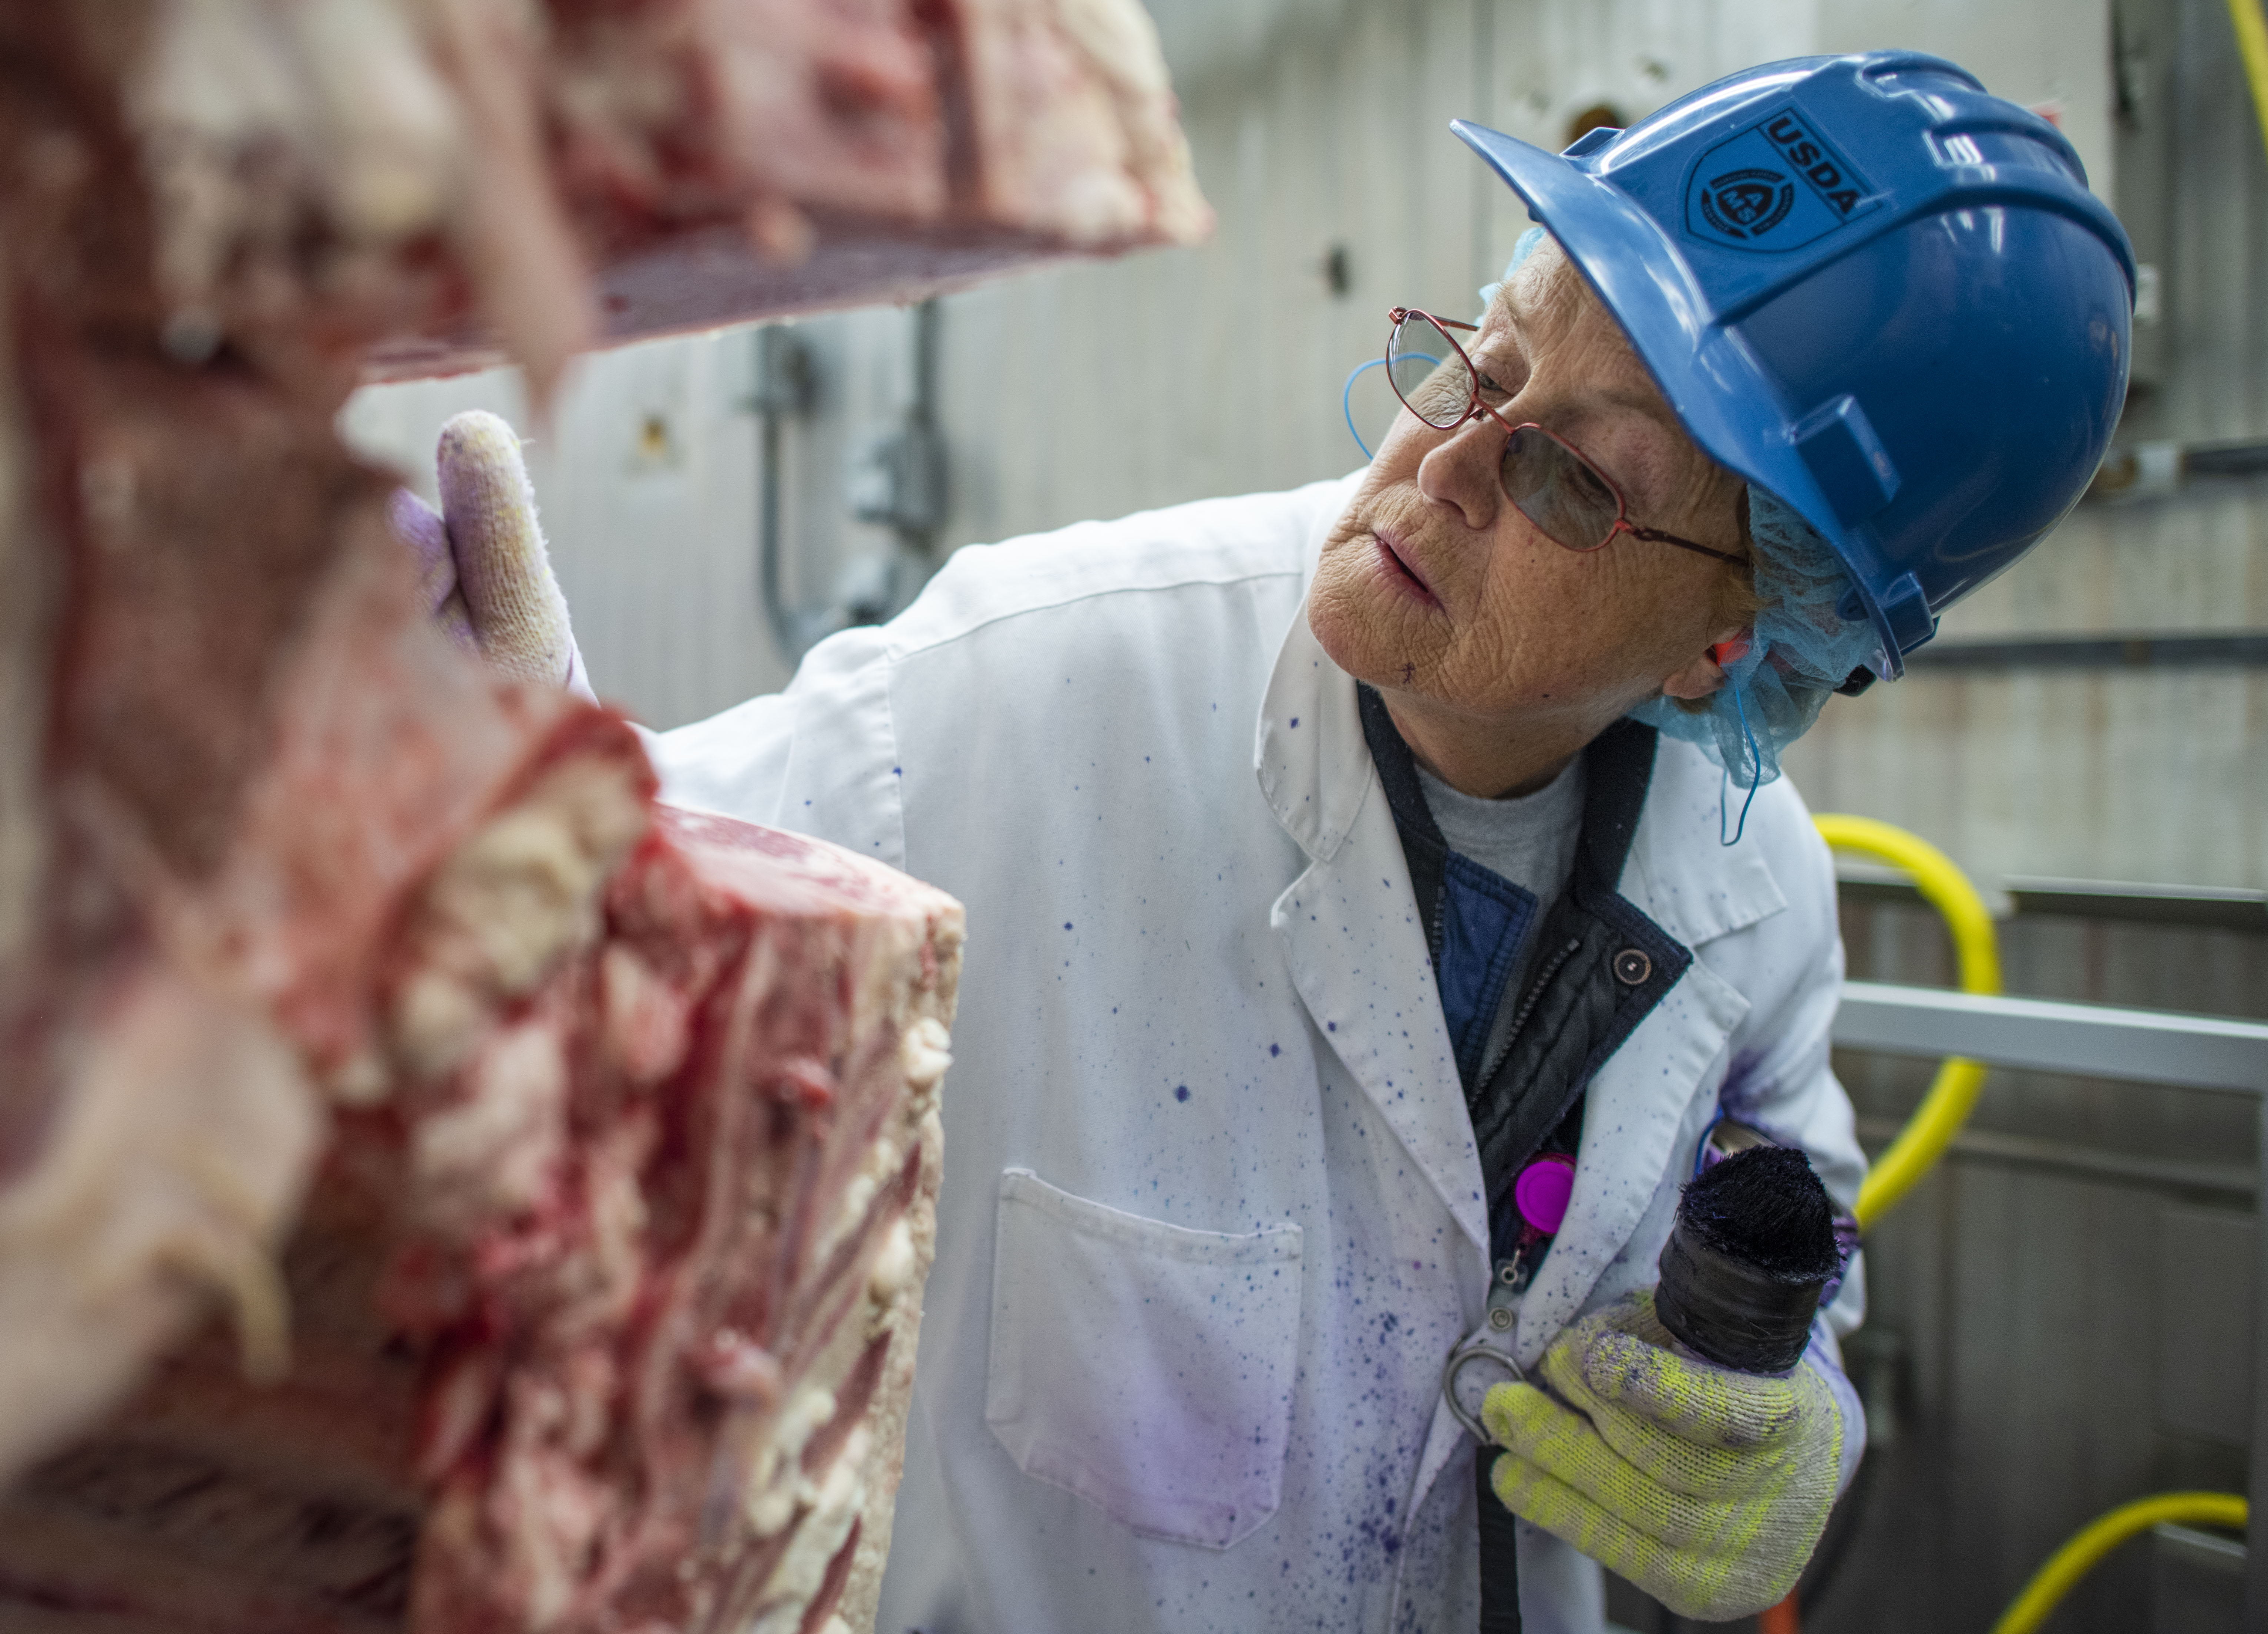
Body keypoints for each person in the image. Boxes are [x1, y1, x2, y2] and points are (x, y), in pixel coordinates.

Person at [405, 51, 2132, 1634]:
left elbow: (1782, 1216)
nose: (1443, 467)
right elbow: (637, 891)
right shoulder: (1036, 678)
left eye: (1570, 485)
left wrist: (1790, 1424)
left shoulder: (1751, 896)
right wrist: (492, 738)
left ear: (1734, 646)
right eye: (1482, 356)